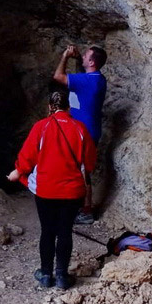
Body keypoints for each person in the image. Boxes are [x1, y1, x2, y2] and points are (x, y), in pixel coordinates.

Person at [7, 91, 97, 290]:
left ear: (50, 107)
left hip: (46, 190)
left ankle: (46, 274)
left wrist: (17, 171)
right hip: (73, 191)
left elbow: (27, 156)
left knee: (48, 231)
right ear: (69, 108)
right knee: (65, 231)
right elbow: (89, 163)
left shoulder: (41, 126)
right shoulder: (80, 128)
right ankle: (63, 276)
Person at [52, 44, 107, 224]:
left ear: (91, 62)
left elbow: (58, 77)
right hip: (85, 130)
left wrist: (65, 56)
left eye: (85, 56)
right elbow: (79, 78)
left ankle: (86, 211)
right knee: (77, 169)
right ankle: (77, 206)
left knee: (82, 171)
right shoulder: (96, 79)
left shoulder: (89, 81)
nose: (82, 56)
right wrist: (77, 58)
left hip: (85, 133)